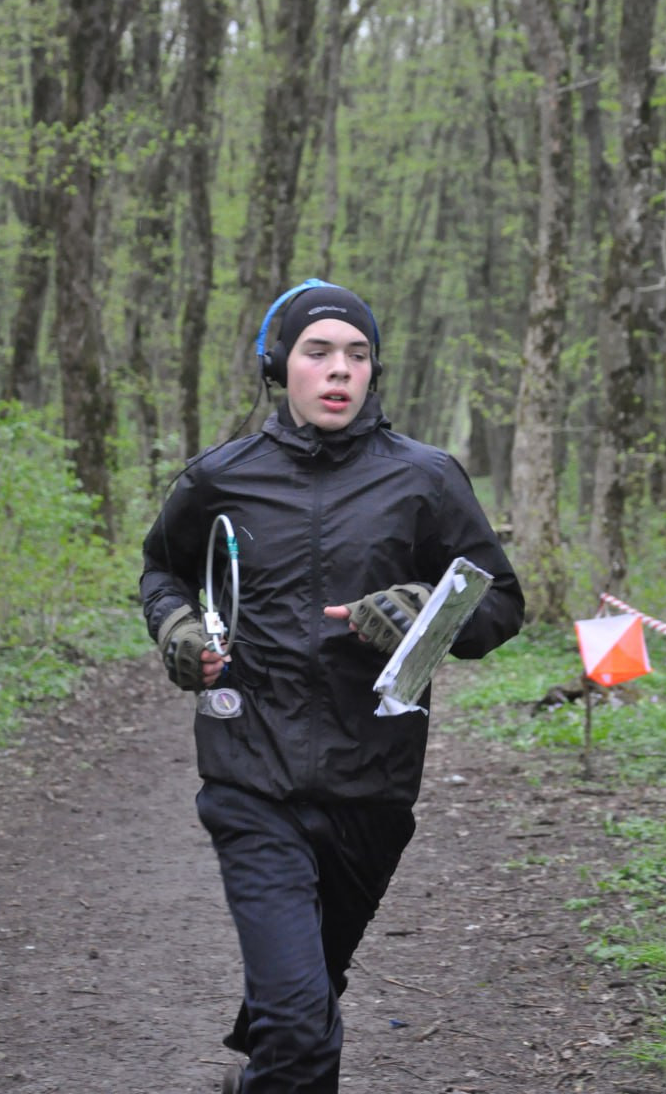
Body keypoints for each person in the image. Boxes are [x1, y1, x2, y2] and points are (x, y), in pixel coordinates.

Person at [140, 280, 525, 1094]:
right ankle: (283, 1048)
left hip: (373, 787)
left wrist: (424, 611)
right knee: (299, 1028)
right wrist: (175, 629)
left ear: (375, 369)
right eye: (317, 352)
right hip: (250, 778)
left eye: (357, 354)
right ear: (279, 365)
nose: (339, 369)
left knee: (307, 1000)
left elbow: (500, 604)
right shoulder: (219, 478)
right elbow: (162, 572)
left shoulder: (426, 479)